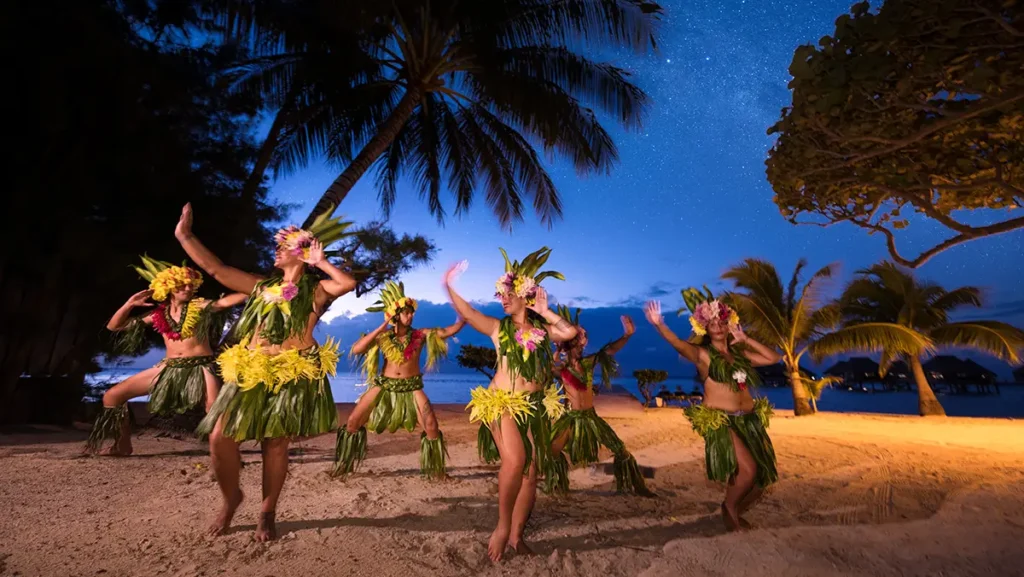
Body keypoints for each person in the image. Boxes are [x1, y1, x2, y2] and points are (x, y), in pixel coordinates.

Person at [175, 203, 357, 542]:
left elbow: (347, 283)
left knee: (275, 445)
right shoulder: (260, 286)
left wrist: (321, 263)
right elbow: (216, 268)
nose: (275, 250)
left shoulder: (316, 290)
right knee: (219, 437)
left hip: (292, 375)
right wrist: (185, 236)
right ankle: (232, 499)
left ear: (301, 253)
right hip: (251, 370)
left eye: (283, 246)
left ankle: (267, 510)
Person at [445, 249, 577, 563]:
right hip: (502, 403)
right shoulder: (497, 328)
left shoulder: (543, 333)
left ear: (525, 296)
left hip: (533, 406)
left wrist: (544, 311)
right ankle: (502, 528)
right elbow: (469, 311)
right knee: (516, 461)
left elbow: (569, 332)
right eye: (501, 293)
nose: (503, 299)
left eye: (508, 294)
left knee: (531, 473)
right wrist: (449, 285)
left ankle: (517, 535)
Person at [644, 288, 782, 532]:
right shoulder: (703, 355)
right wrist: (658, 325)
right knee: (748, 471)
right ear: (704, 328)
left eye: (721, 321)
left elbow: (774, 358)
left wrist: (746, 339)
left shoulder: (740, 355)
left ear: (729, 325)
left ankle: (735, 509)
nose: (717, 326)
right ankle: (729, 508)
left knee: (762, 478)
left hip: (749, 420)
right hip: (721, 420)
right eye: (712, 323)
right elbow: (677, 343)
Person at [85, 256, 246, 456]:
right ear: (167, 287)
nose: (187, 289)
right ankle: (122, 445)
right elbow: (115, 326)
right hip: (169, 368)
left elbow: (225, 302)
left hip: (201, 368)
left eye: (190, 285)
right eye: (181, 285)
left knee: (214, 409)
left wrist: (253, 287)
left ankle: (226, 451)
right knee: (112, 396)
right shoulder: (158, 314)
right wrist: (130, 304)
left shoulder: (199, 306)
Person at [333, 281, 466, 480]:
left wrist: (463, 318)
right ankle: (344, 466)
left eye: (412, 312)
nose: (410, 316)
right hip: (384, 385)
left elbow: (447, 332)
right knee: (352, 422)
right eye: (406, 312)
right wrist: (382, 326)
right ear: (396, 315)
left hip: (411, 385)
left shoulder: (421, 335)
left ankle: (436, 471)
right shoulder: (384, 336)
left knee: (431, 425)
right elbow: (357, 349)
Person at [547, 308, 655, 497]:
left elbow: (609, 349)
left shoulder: (589, 362)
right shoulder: (560, 368)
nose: (579, 345)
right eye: (574, 342)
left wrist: (627, 335)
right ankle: (556, 485)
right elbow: (546, 368)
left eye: (580, 341)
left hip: (591, 417)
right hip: (570, 418)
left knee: (620, 450)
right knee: (552, 451)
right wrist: (555, 351)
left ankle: (636, 485)